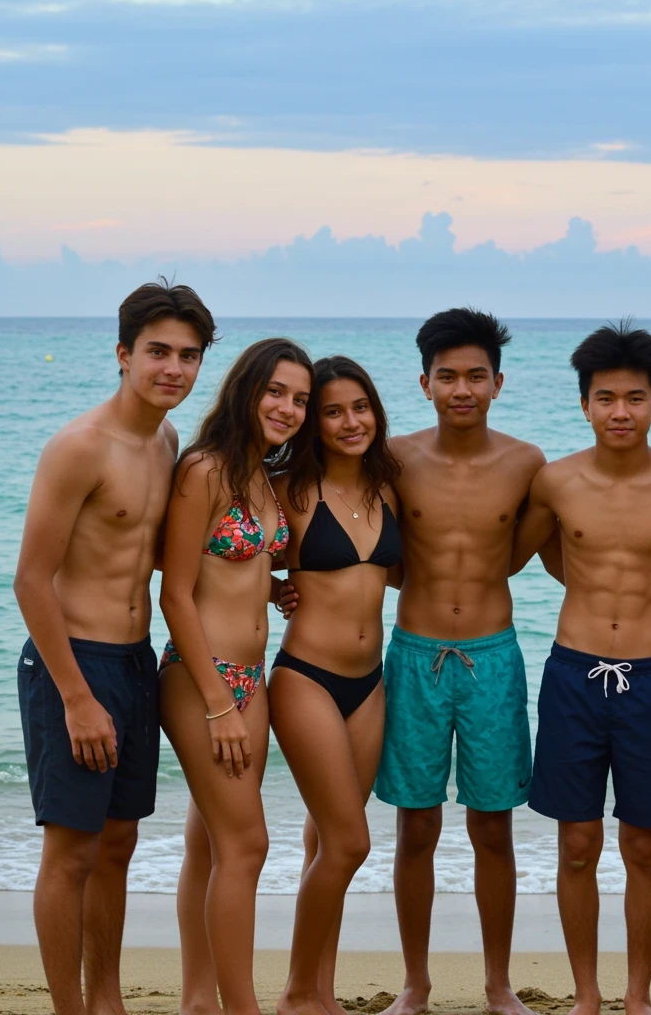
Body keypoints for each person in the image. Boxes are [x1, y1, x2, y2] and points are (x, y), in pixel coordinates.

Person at [13, 280, 216, 1015]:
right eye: (158, 351)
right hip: (74, 662)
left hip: (135, 660)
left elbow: (151, 554)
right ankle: (72, 1008)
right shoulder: (79, 446)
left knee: (119, 844)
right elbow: (31, 579)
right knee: (70, 851)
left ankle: (107, 1000)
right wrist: (75, 698)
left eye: (189, 356)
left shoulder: (165, 442)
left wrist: (264, 580)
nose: (174, 368)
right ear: (124, 354)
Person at [510, 322, 651, 1015]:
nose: (619, 411)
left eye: (634, 397)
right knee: (576, 844)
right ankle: (587, 995)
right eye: (605, 397)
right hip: (573, 675)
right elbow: (521, 553)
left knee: (644, 846)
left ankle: (637, 997)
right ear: (585, 404)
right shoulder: (556, 481)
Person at [374, 308, 546, 1015]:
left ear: (498, 382)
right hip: (413, 657)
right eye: (447, 376)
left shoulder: (526, 462)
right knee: (415, 825)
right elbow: (371, 556)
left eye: (476, 375)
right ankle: (414, 983)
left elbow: (523, 552)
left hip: (492, 659)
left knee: (492, 825)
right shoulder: (397, 458)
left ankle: (499, 984)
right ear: (424, 382)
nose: (462, 388)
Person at [158, 339, 315, 1015]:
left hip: (251, 675)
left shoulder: (262, 474)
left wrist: (275, 588)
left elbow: (240, 562)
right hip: (204, 679)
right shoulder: (205, 469)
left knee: (211, 840)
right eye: (275, 392)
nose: (288, 408)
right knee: (247, 844)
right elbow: (177, 593)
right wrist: (219, 703)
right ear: (246, 390)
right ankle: (241, 1008)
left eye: (301, 399)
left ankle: (198, 999)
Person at [271, 355, 402, 1015]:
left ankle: (319, 990)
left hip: (370, 684)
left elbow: (403, 570)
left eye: (360, 407)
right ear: (313, 423)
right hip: (306, 679)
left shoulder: (388, 487)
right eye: (332, 411)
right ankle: (298, 993)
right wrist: (271, 587)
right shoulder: (289, 489)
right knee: (350, 842)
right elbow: (223, 557)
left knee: (326, 841)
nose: (351, 421)